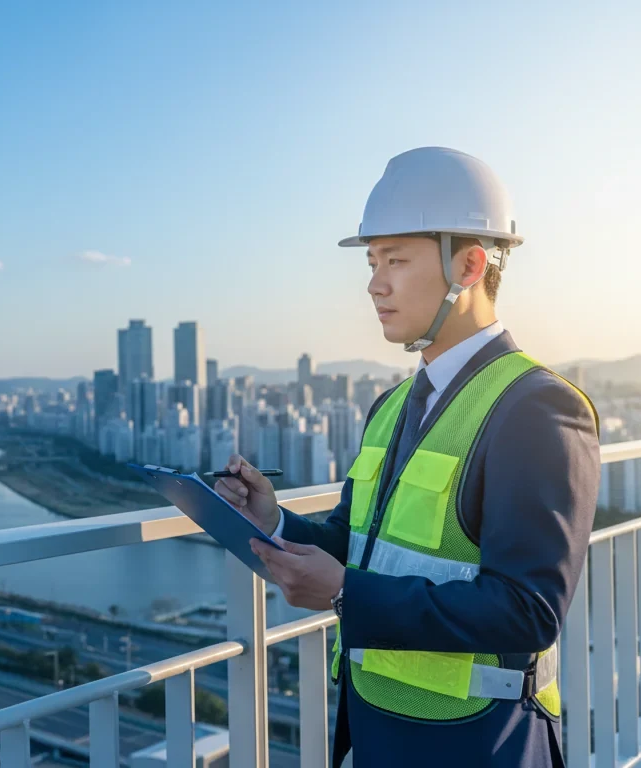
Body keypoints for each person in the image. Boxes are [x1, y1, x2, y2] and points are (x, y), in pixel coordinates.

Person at [215, 147, 600, 767]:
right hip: (377, 732)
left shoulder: (537, 407)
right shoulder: (391, 407)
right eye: (372, 262)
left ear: (470, 265)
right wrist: (274, 521)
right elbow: (358, 540)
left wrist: (346, 595)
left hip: (480, 742)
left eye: (395, 260)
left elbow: (529, 610)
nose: (374, 283)